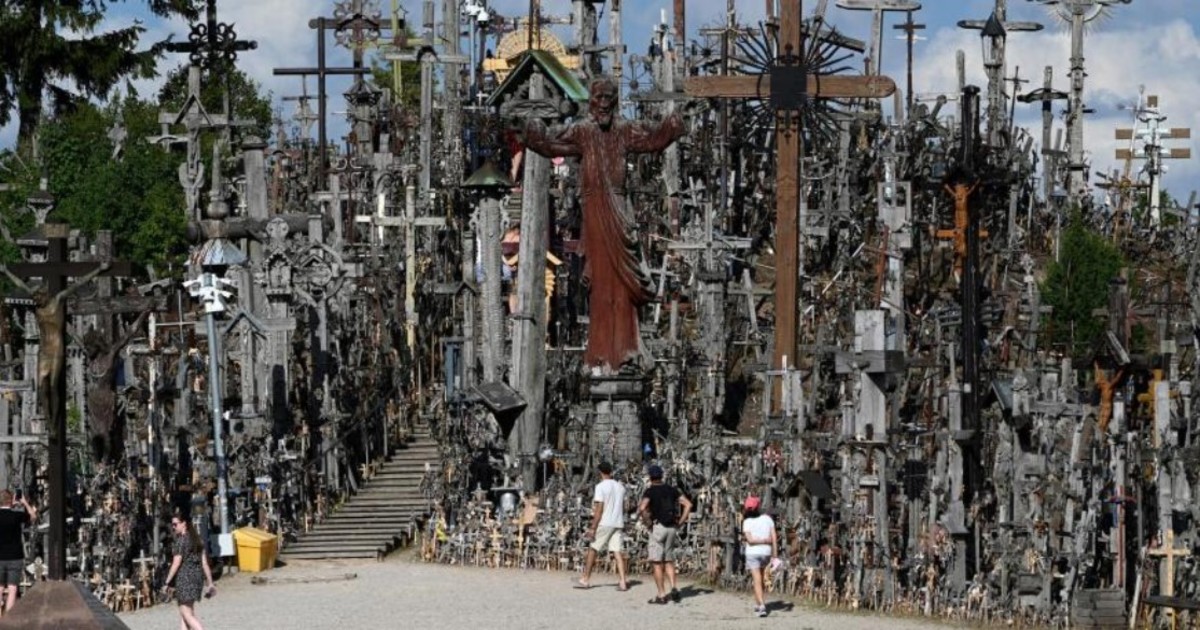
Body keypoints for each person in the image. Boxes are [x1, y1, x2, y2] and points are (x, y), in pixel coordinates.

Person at [522, 77, 684, 371]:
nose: (604, 103)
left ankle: (628, 347)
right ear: (591, 101)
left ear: (616, 101)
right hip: (595, 212)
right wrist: (534, 132)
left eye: (609, 97)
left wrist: (671, 126)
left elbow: (651, 140)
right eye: (599, 98)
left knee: (623, 282)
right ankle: (599, 350)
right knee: (600, 281)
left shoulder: (624, 130)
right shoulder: (583, 131)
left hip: (618, 211)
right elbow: (551, 144)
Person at [638, 464, 692, 605]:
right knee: (669, 560)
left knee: (657, 562)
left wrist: (648, 523)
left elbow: (642, 508)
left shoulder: (650, 491)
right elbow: (688, 504)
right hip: (672, 527)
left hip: (658, 527)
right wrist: (681, 522)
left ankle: (661, 595)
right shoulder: (672, 490)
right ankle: (673, 587)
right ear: (662, 476)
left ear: (650, 477)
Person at [575, 461, 628, 591]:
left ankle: (585, 578)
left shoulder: (600, 487)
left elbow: (599, 508)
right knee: (617, 551)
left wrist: (593, 527)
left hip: (605, 522)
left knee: (593, 549)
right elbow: (625, 506)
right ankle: (622, 581)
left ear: (600, 472)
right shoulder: (620, 487)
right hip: (618, 522)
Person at [164, 513, 215, 630]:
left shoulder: (181, 541)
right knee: (186, 614)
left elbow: (176, 563)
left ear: (184, 524)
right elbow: (204, 564)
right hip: (197, 579)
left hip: (185, 579)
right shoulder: (198, 540)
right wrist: (210, 582)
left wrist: (167, 582)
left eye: (175, 524)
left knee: (186, 614)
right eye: (172, 525)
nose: (173, 527)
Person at [0, 489, 35, 616]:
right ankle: (8, 618)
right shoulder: (16, 516)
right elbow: (33, 516)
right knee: (13, 588)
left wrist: (10, 505)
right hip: (15, 556)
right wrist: (24, 503)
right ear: (11, 501)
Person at [741, 496, 777, 617]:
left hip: (752, 553)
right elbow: (774, 538)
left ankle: (762, 605)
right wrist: (774, 554)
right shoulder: (767, 519)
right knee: (761, 578)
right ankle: (758, 603)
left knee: (757, 579)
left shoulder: (746, 522)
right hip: (766, 552)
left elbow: (750, 541)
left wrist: (760, 540)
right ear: (758, 507)